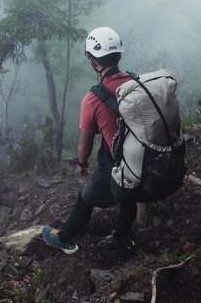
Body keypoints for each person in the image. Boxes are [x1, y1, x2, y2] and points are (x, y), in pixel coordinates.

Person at [42, 27, 137, 254]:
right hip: (142, 156)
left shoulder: (93, 98)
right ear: (120, 56)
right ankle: (122, 237)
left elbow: (85, 144)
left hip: (117, 163)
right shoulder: (136, 81)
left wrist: (82, 164)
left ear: (94, 63)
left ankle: (65, 239)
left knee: (85, 198)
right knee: (129, 195)